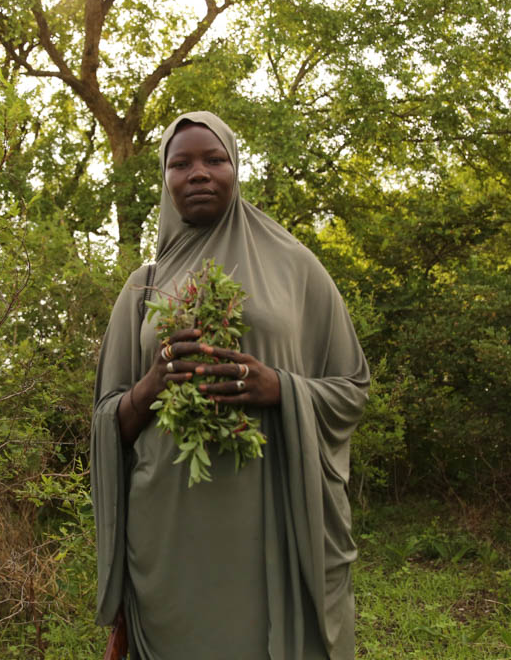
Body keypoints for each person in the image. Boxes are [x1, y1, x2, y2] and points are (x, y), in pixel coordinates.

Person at [91, 111, 370, 659]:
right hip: (168, 542)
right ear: (165, 180)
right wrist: (151, 386)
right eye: (181, 163)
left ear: (235, 168)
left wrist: (283, 389)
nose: (198, 173)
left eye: (213, 159)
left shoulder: (296, 268)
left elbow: (352, 388)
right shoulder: (143, 287)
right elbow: (107, 421)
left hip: (272, 531)